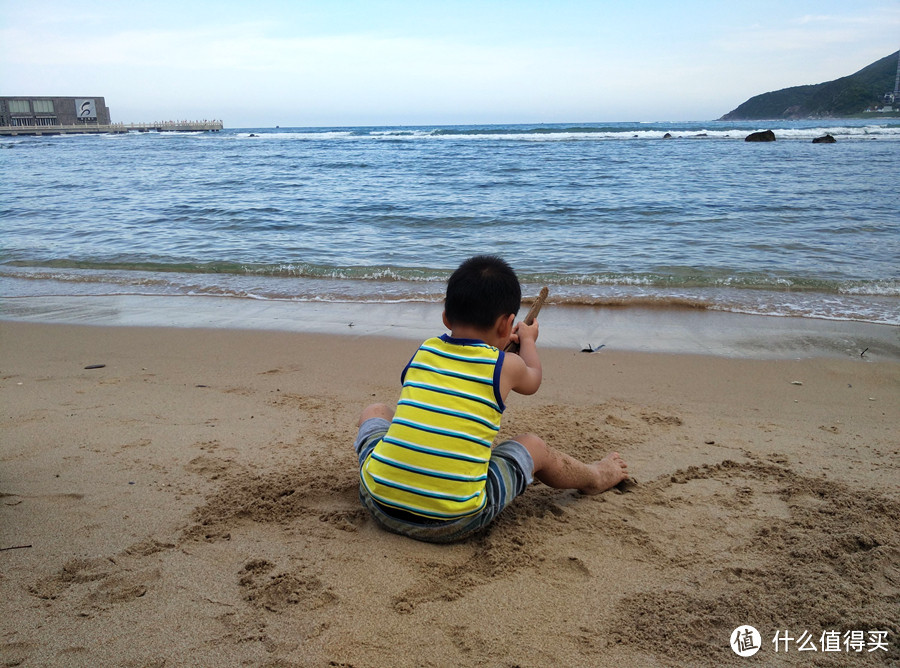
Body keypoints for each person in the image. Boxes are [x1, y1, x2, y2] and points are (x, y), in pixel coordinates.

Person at [354, 255, 628, 542]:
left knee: (377, 410)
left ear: (446, 316)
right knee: (533, 446)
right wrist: (529, 342)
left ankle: (399, 475)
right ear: (506, 324)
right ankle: (596, 477)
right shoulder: (505, 366)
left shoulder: (426, 350)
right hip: (454, 521)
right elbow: (532, 378)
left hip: (379, 503)